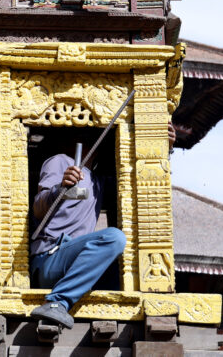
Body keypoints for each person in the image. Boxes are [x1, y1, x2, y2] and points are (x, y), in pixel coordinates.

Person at [29, 126, 176, 328]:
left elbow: (142, 187)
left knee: (122, 268)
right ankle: (57, 303)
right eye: (80, 135)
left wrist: (163, 149)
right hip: (50, 258)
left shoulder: (98, 182)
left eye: (91, 136)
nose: (88, 141)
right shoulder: (60, 161)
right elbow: (38, 207)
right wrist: (60, 188)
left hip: (76, 265)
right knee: (114, 238)